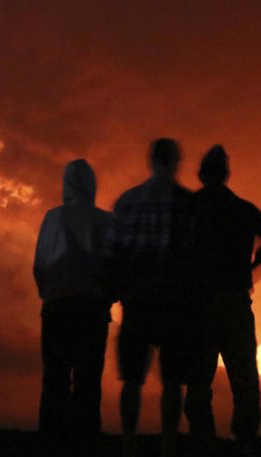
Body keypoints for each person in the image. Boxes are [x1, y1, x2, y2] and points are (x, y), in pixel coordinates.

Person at [185, 145, 261, 457]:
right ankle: (246, 440)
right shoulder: (245, 210)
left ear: (202, 173)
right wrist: (250, 274)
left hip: (200, 303)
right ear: (226, 173)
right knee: (244, 375)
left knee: (199, 376)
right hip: (236, 300)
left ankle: (202, 439)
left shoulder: (191, 207)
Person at [109, 138, 197, 457]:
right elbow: (196, 254)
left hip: (137, 301)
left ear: (151, 161)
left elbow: (113, 253)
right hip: (175, 303)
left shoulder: (127, 202)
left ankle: (129, 442)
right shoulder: (188, 202)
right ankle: (168, 443)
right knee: (173, 380)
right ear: (176, 162)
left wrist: (118, 291)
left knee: (132, 379)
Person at [33, 159, 114, 454]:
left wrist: (48, 294)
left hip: (56, 309)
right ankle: (85, 443)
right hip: (92, 311)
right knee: (88, 382)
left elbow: (40, 264)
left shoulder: (52, 218)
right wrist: (108, 296)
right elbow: (114, 266)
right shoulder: (106, 221)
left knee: (54, 379)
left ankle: (51, 443)